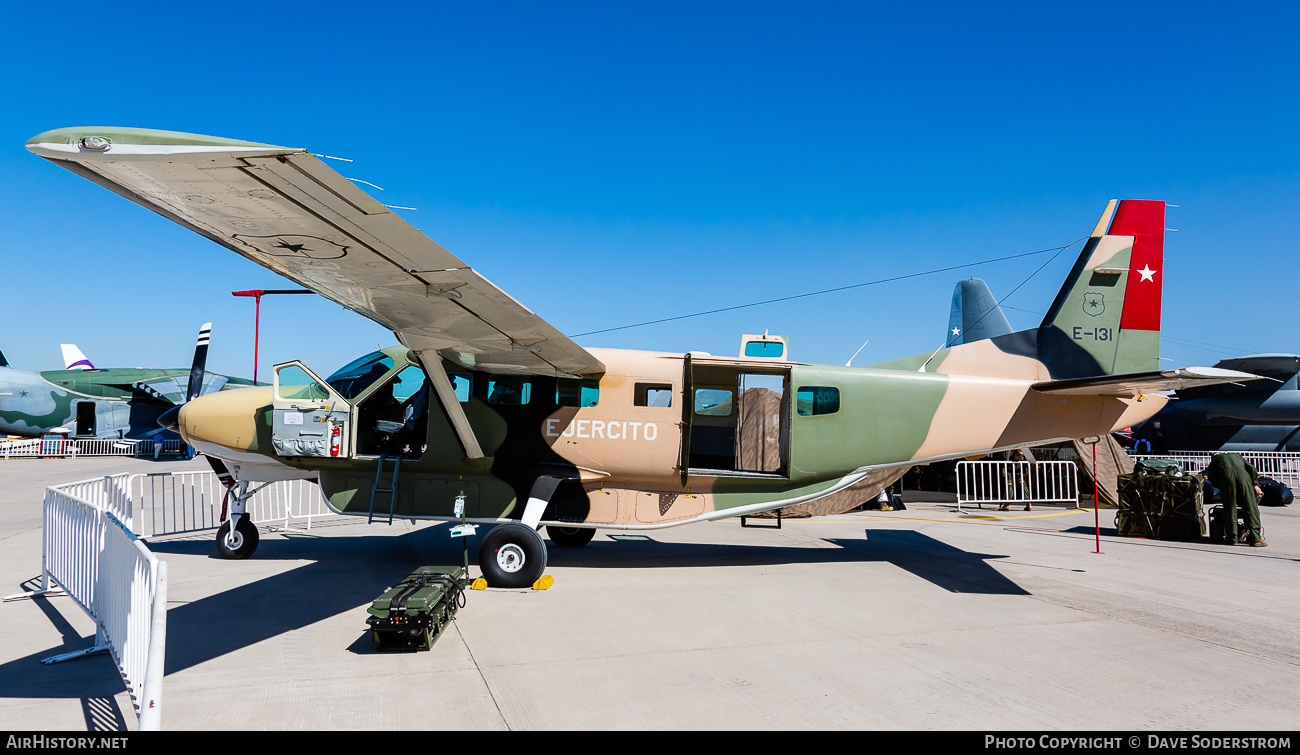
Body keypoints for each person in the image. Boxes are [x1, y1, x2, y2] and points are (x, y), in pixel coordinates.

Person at [1205, 452, 1266, 546]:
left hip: (1227, 479)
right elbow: (1252, 468)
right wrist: (1255, 483)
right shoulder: (1237, 456)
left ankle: (1232, 539)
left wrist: (1223, 487)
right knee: (1251, 508)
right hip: (1244, 478)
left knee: (1230, 509)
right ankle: (1256, 539)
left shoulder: (1215, 461)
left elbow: (1212, 478)